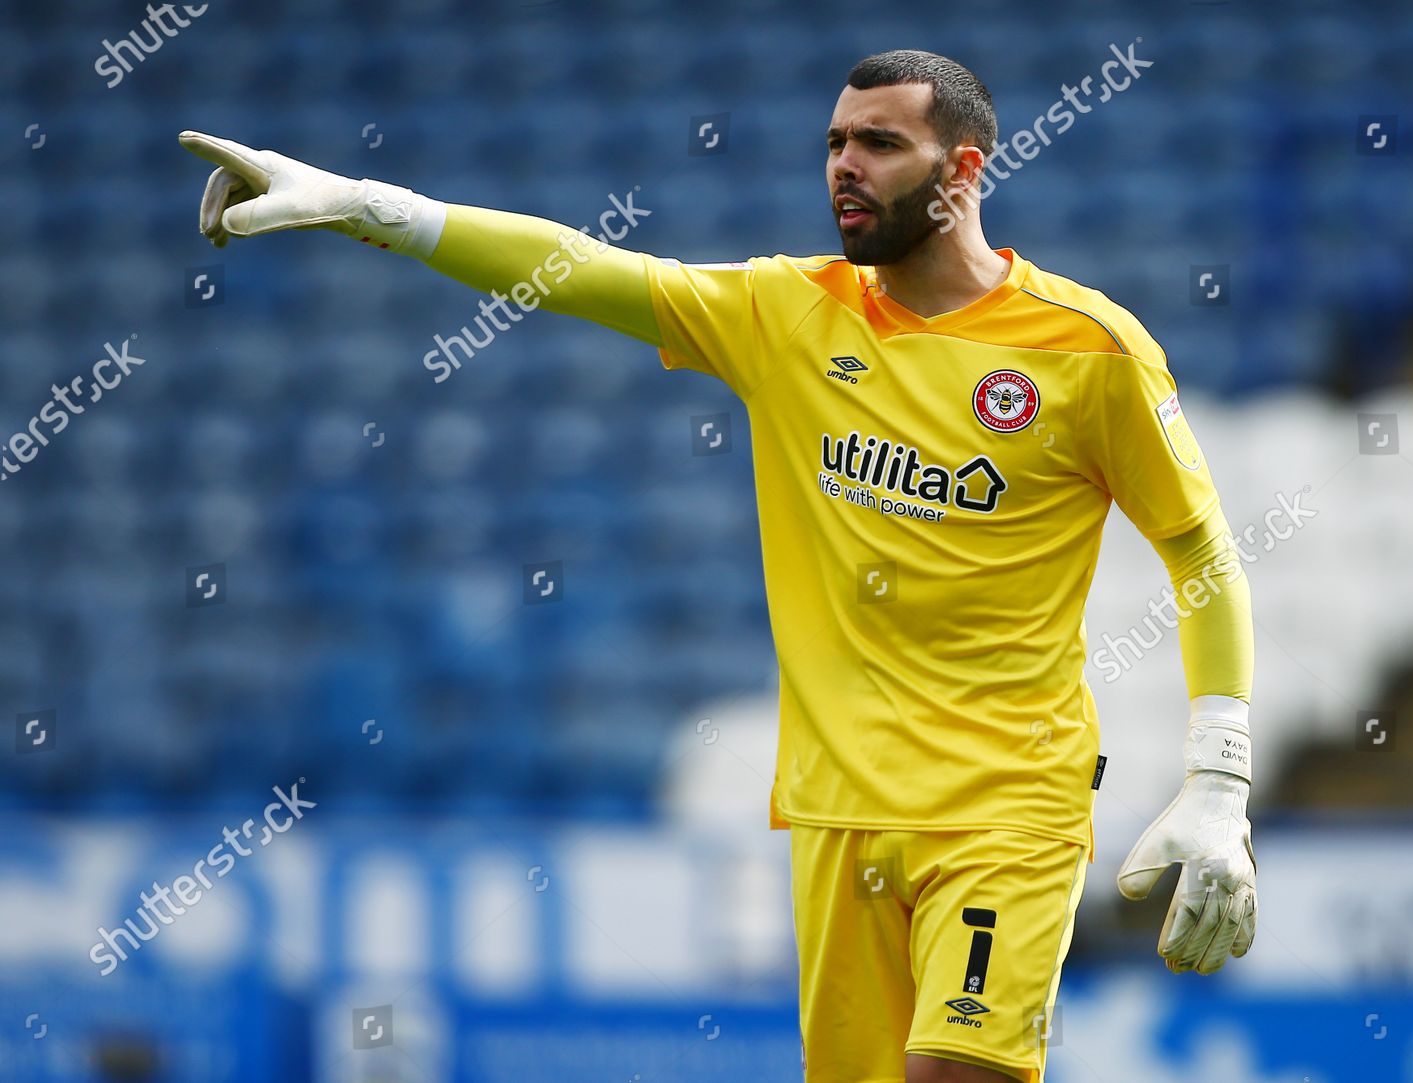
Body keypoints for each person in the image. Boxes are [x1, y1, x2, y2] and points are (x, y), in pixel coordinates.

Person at [181, 47, 1256, 1083]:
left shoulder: (1087, 350)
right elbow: (580, 271)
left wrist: (1218, 778)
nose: (844, 164)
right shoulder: (788, 312)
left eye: (879, 143)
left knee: (958, 1074)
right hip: (836, 814)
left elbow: (1198, 545)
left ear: (964, 170)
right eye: (835, 141)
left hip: (1007, 807)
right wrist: (370, 206)